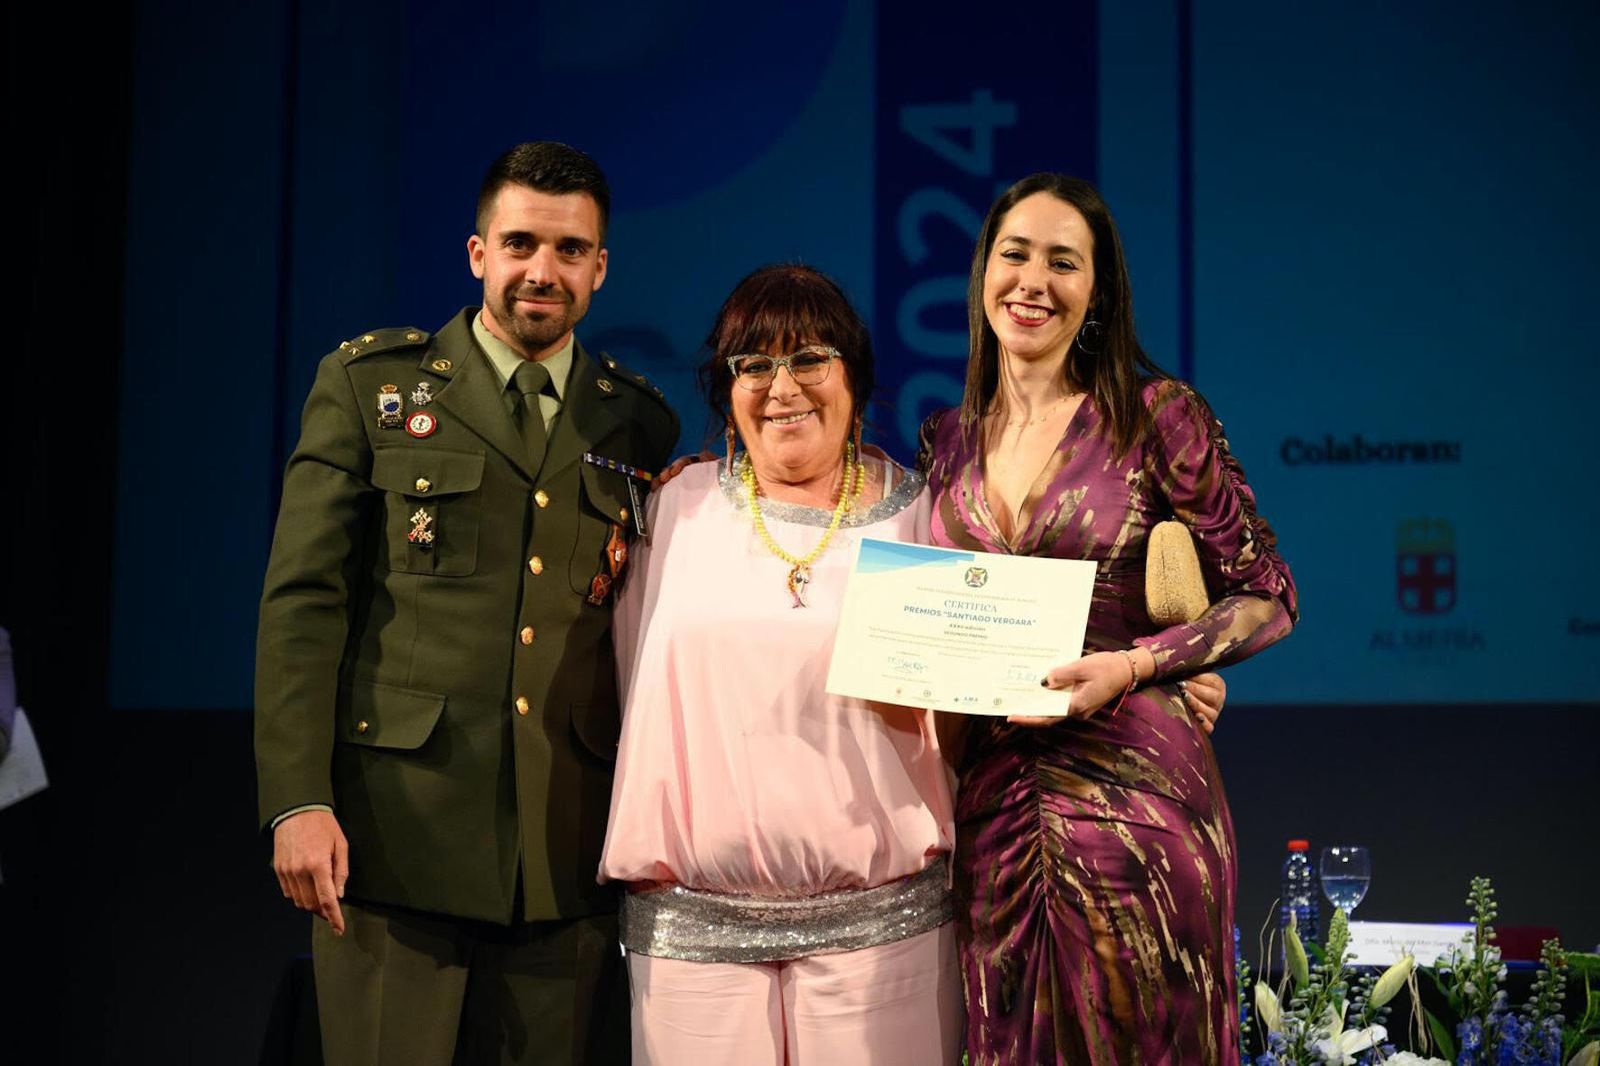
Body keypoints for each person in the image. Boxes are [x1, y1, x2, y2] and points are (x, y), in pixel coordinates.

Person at [255, 141, 678, 1065]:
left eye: (570, 251)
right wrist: (296, 801)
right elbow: (302, 604)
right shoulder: (372, 389)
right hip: (390, 843)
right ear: (479, 252)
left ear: (600, 269)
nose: (543, 270)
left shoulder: (635, 422)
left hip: (563, 859)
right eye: (521, 243)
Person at [919, 173, 1298, 1065]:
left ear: (1097, 293)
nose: (1033, 282)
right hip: (995, 808)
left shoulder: (1156, 417)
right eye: (1015, 254)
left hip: (1134, 799)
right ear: (982, 274)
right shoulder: (948, 440)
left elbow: (1268, 592)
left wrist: (1140, 666)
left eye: (1064, 262)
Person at [598, 264, 963, 1065]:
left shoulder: (924, 520)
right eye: (753, 365)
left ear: (855, 378)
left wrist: (1164, 681)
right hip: (691, 942)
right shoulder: (672, 511)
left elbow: (1001, 683)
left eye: (809, 358)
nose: (782, 386)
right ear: (727, 393)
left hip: (884, 940)